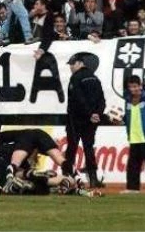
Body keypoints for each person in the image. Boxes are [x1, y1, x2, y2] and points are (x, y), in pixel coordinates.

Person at [61, 52, 106, 188]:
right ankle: (93, 179)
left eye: (72, 64)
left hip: (76, 119)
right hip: (91, 121)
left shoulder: (75, 77)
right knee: (89, 148)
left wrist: (90, 113)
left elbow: (78, 99)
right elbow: (101, 99)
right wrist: (97, 113)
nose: (71, 67)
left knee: (72, 148)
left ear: (80, 63)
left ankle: (67, 177)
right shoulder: (95, 78)